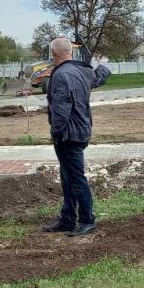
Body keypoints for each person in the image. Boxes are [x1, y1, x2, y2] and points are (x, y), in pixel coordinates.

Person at [44, 37, 111, 236]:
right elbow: (98, 78)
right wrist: (103, 66)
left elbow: (61, 109)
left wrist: (56, 133)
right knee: (67, 177)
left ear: (53, 54)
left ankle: (87, 220)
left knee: (75, 178)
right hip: (80, 130)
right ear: (70, 52)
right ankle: (67, 218)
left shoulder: (61, 74)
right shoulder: (83, 70)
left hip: (68, 134)